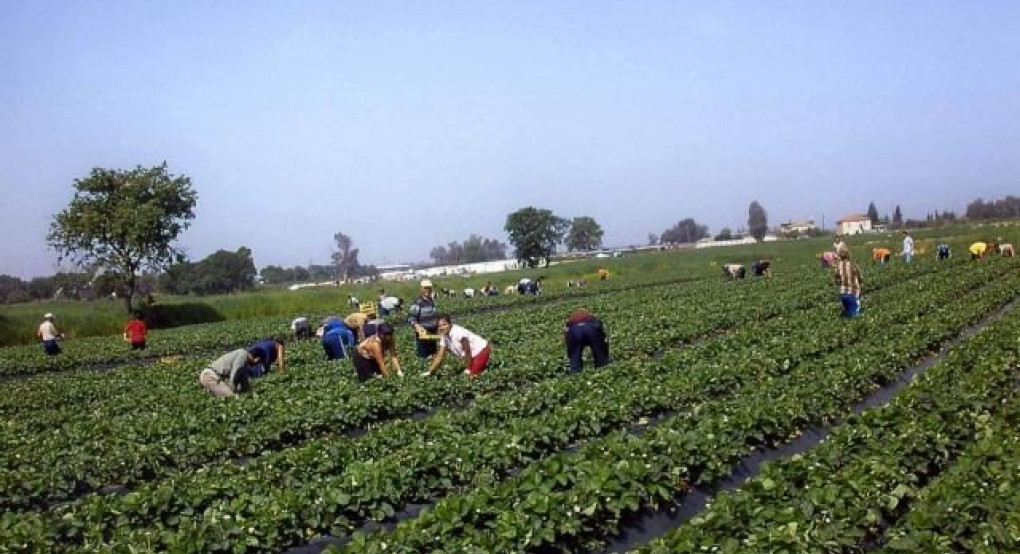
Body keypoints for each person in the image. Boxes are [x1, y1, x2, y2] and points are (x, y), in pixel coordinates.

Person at [423, 314, 492, 378]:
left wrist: (468, 368)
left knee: (472, 376)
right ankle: (480, 368)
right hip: (471, 355)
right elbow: (440, 355)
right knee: (469, 374)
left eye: (444, 325)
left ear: (450, 324)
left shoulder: (458, 333)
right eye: (439, 326)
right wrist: (430, 371)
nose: (442, 327)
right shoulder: (444, 336)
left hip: (481, 351)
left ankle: (483, 370)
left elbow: (467, 351)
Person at [564, 308, 610, 373]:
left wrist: (571, 352)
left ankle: (576, 373)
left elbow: (566, 336)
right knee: (599, 352)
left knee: (575, 356)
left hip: (574, 332)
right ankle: (602, 368)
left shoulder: (570, 321)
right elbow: (602, 334)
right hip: (591, 329)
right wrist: (605, 352)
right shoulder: (593, 318)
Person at [408, 279, 440, 370]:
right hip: (423, 332)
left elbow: (434, 315)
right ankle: (423, 371)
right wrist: (417, 327)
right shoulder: (417, 302)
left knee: (433, 351)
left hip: (433, 331)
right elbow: (411, 318)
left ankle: (433, 371)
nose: (428, 290)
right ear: (421, 289)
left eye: (429, 288)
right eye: (425, 288)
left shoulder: (431, 300)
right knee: (423, 353)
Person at [833, 245, 863, 318]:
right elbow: (860, 278)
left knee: (847, 315)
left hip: (843, 294)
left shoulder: (838, 266)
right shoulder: (853, 265)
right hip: (853, 293)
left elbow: (836, 280)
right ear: (848, 255)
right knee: (855, 316)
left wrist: (841, 283)